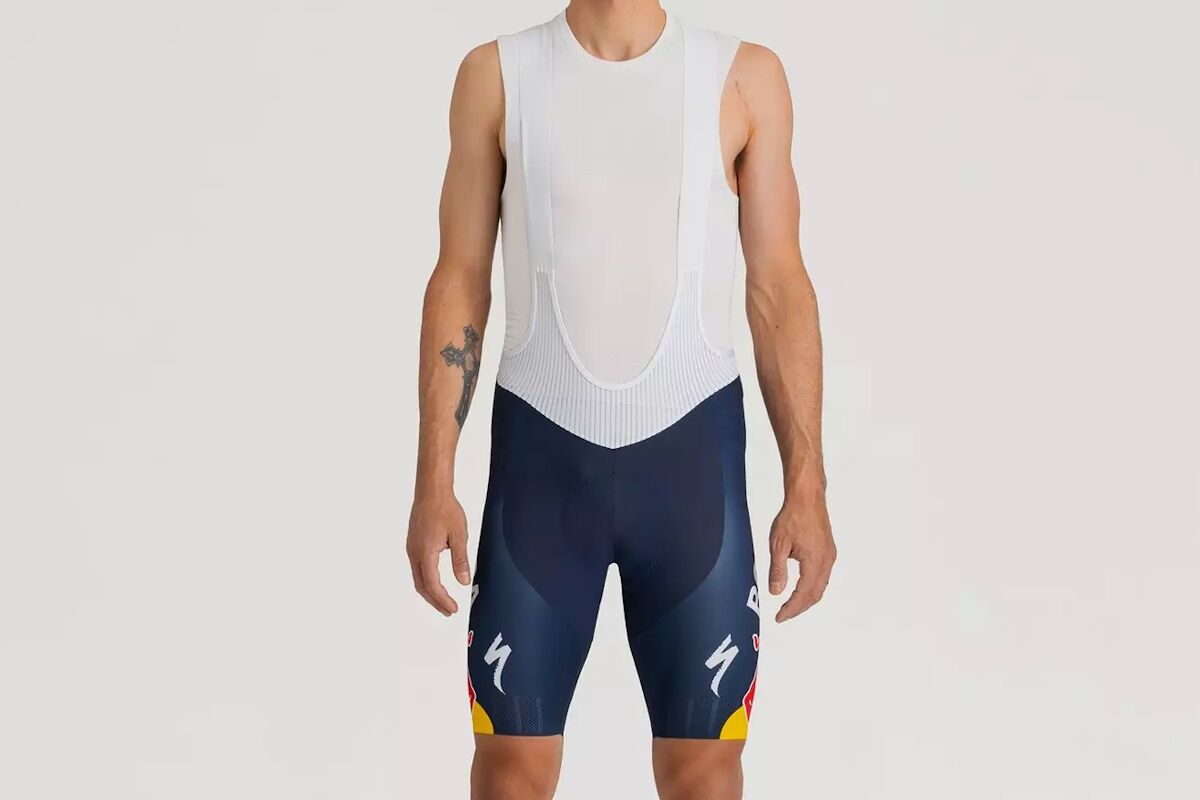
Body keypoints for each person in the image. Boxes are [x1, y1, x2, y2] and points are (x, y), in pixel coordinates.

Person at [406, 2, 835, 797]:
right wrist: (435, 476)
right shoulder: (498, 75)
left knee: (705, 774)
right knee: (510, 773)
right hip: (540, 481)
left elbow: (779, 285)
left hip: (691, 479)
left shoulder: (743, 77)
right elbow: (460, 275)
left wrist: (806, 483)